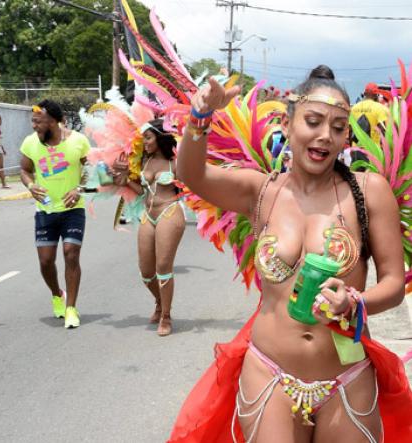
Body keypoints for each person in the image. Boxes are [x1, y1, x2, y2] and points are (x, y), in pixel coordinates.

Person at [170, 66, 411, 442]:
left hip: (345, 376)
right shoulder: (260, 191)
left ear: (347, 134)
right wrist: (200, 116)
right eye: (313, 121)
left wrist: (356, 303)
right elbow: (191, 174)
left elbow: (395, 283)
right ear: (287, 122)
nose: (324, 136)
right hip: (270, 372)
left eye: (337, 127)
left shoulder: (368, 192)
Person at [19, 100, 91, 329]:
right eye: (33, 121)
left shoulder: (78, 141)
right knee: (46, 261)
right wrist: (31, 186)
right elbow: (25, 170)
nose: (34, 126)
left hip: (73, 209)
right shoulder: (30, 143)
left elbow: (91, 168)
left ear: (53, 121)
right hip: (45, 211)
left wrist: (79, 189)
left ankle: (71, 308)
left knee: (71, 253)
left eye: (38, 122)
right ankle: (56, 294)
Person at [112, 119, 185, 337]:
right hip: (149, 214)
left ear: (160, 138)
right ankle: (159, 301)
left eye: (148, 137)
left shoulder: (175, 162)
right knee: (146, 272)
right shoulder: (144, 160)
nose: (144, 142)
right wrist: (124, 179)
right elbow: (142, 192)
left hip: (170, 212)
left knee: (163, 267)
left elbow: (191, 186)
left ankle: (166, 316)